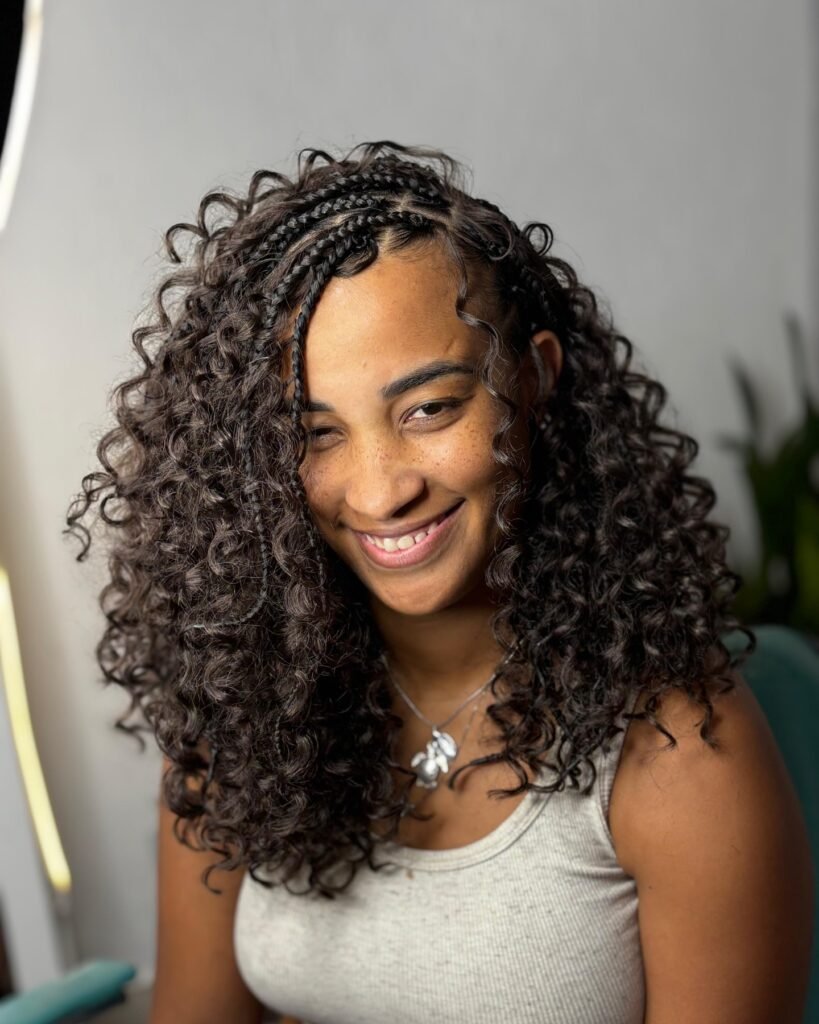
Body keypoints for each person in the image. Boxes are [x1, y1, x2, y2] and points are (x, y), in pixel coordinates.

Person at [65, 140, 814, 1024]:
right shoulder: (240, 712)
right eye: (315, 433)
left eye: (429, 408)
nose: (381, 491)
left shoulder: (677, 753)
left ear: (533, 379)